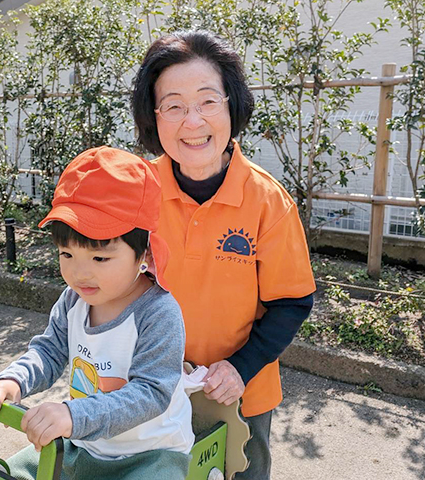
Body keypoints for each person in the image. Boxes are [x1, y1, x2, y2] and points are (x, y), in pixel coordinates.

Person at [132, 30, 316, 480]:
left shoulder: (267, 200)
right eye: (173, 105)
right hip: (155, 387)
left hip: (240, 394)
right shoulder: (138, 189)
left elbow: (292, 301)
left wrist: (239, 369)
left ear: (232, 105)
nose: (192, 121)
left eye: (208, 101)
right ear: (154, 118)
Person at [0, 146, 194, 480]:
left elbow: (150, 393)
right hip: (83, 442)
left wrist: (73, 415)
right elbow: (49, 350)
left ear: (143, 253)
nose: (80, 273)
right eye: (66, 254)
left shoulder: (158, 313)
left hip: (151, 453)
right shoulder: (73, 301)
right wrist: (12, 381)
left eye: (100, 258)